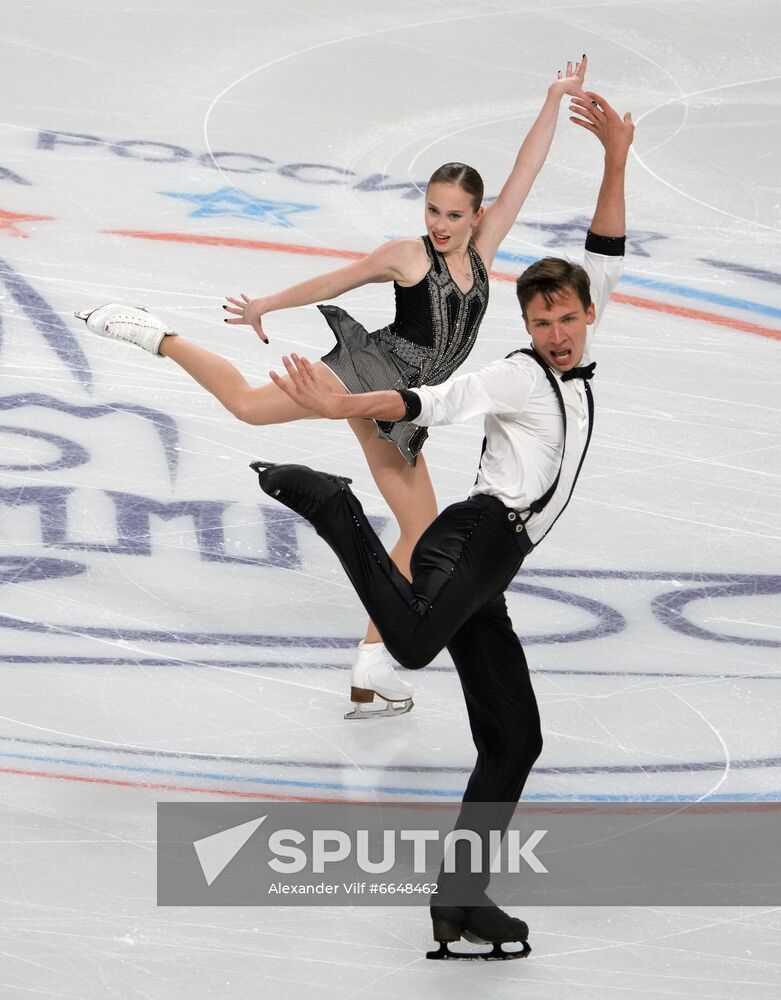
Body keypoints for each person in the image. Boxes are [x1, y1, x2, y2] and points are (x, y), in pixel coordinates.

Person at [76, 57, 588, 720]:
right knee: (264, 418)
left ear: (475, 216)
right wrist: (266, 304)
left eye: (452, 214)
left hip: (403, 404)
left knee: (409, 521)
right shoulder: (408, 256)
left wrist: (552, 98)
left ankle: (373, 665)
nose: (438, 222)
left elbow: (525, 170)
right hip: (370, 375)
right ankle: (154, 335)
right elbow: (334, 283)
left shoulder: (484, 251)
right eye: (431, 209)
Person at [250, 89, 633, 957]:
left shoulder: (582, 318)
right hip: (473, 535)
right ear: (527, 327)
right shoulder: (512, 375)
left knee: (515, 741)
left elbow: (605, 245)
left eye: (566, 318)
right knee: (413, 646)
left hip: (499, 569)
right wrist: (340, 401)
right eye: (540, 322)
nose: (556, 332)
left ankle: (459, 902)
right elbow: (422, 397)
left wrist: (613, 158)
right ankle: (332, 504)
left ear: (584, 314)